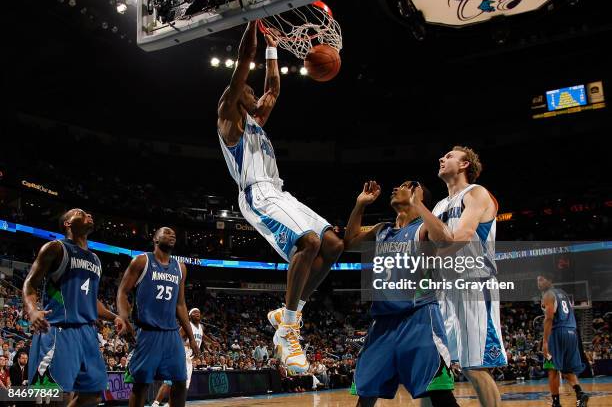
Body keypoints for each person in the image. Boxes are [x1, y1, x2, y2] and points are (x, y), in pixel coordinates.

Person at [217, 21, 343, 374]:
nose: (256, 95)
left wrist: (273, 47)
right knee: (308, 242)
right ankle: (287, 331)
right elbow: (244, 58)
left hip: (279, 191)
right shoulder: (229, 116)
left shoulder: (256, 120)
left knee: (333, 244)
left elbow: (273, 88)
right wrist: (253, 24)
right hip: (256, 194)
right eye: (248, 91)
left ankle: (288, 312)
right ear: (236, 93)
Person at [344, 180, 458, 407]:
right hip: (383, 324)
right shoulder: (381, 230)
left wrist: (420, 205)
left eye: (405, 185)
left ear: (418, 194)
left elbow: (446, 240)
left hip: (419, 319)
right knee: (365, 394)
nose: (395, 188)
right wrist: (360, 205)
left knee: (439, 394)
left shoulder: (423, 228)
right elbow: (349, 243)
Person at [413, 146, 507, 407]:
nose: (442, 158)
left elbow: (463, 236)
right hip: (443, 290)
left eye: (450, 156)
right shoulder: (441, 205)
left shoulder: (476, 193)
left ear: (465, 165)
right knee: (434, 367)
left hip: (474, 284)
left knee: (474, 367)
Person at [23, 208, 128, 406]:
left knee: (93, 395)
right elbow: (29, 284)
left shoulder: (95, 260)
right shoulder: (55, 248)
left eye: (89, 212)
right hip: (58, 331)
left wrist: (114, 316)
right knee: (53, 399)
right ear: (67, 223)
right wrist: (32, 310)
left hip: (87, 333)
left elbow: (91, 300)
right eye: (80, 213)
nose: (88, 214)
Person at [117, 227, 199, 407]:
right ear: (155, 238)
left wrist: (191, 338)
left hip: (171, 334)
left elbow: (180, 305)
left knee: (179, 381)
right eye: (167, 232)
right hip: (147, 332)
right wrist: (123, 318)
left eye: (174, 234)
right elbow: (122, 292)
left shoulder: (180, 268)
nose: (172, 235)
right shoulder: (141, 261)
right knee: (141, 385)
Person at [538, 273, 589, 407]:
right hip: (572, 333)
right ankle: (580, 393)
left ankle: (556, 403)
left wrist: (545, 342)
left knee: (552, 369)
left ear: (550, 280)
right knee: (567, 370)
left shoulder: (548, 295)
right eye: (537, 280)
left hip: (557, 333)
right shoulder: (563, 294)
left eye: (542, 279)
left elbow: (549, 318)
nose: (539, 282)